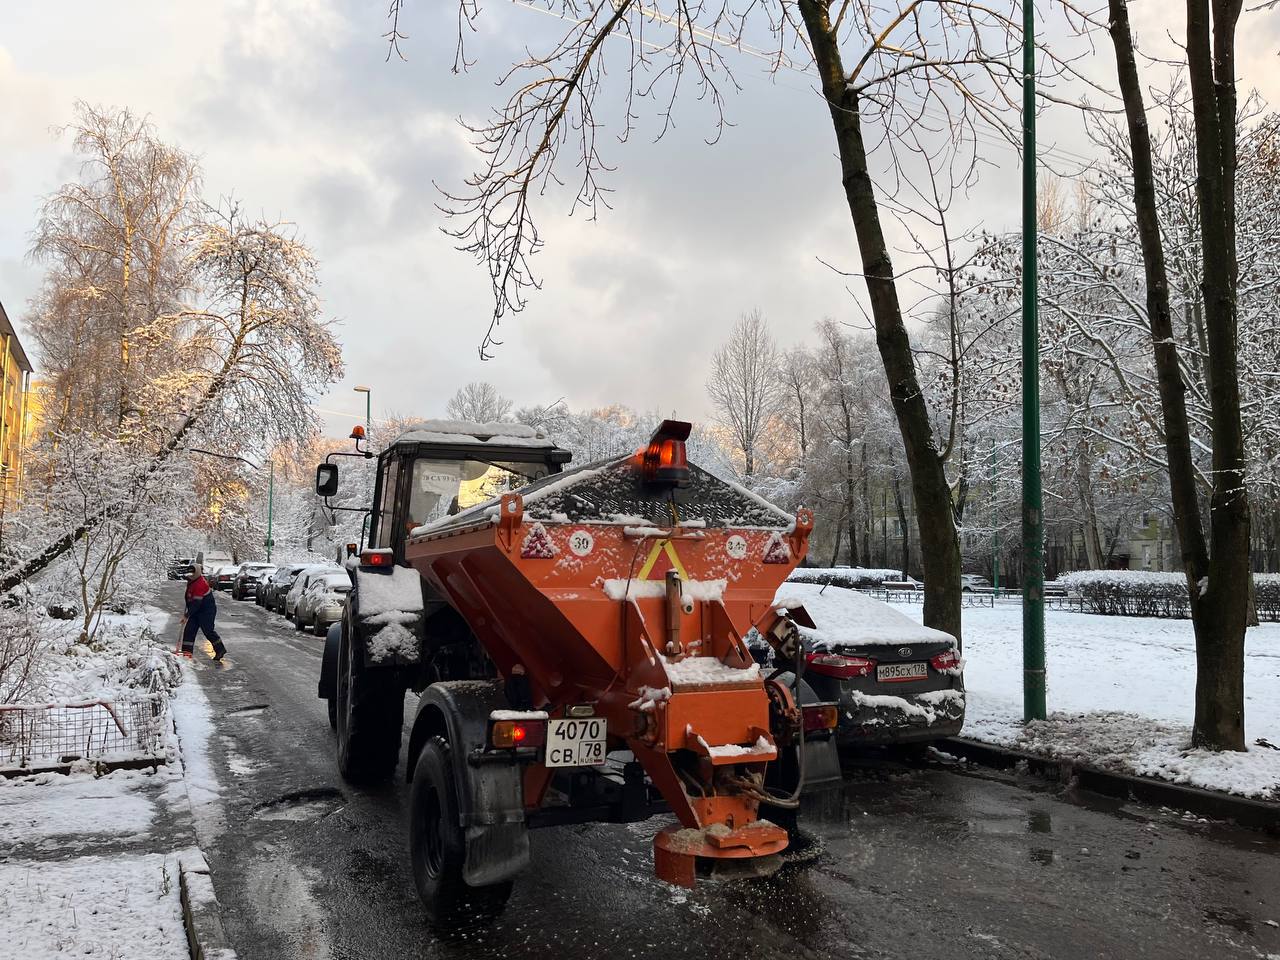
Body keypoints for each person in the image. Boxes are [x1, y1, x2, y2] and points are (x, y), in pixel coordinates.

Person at [182, 564, 227, 661]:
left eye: (191, 574)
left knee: (208, 631)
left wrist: (187, 615)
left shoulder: (200, 584)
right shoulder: (192, 581)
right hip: (196, 610)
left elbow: (196, 603)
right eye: (189, 574)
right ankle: (186, 654)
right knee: (189, 630)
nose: (190, 576)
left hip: (206, 611)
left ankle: (220, 649)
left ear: (197, 573)